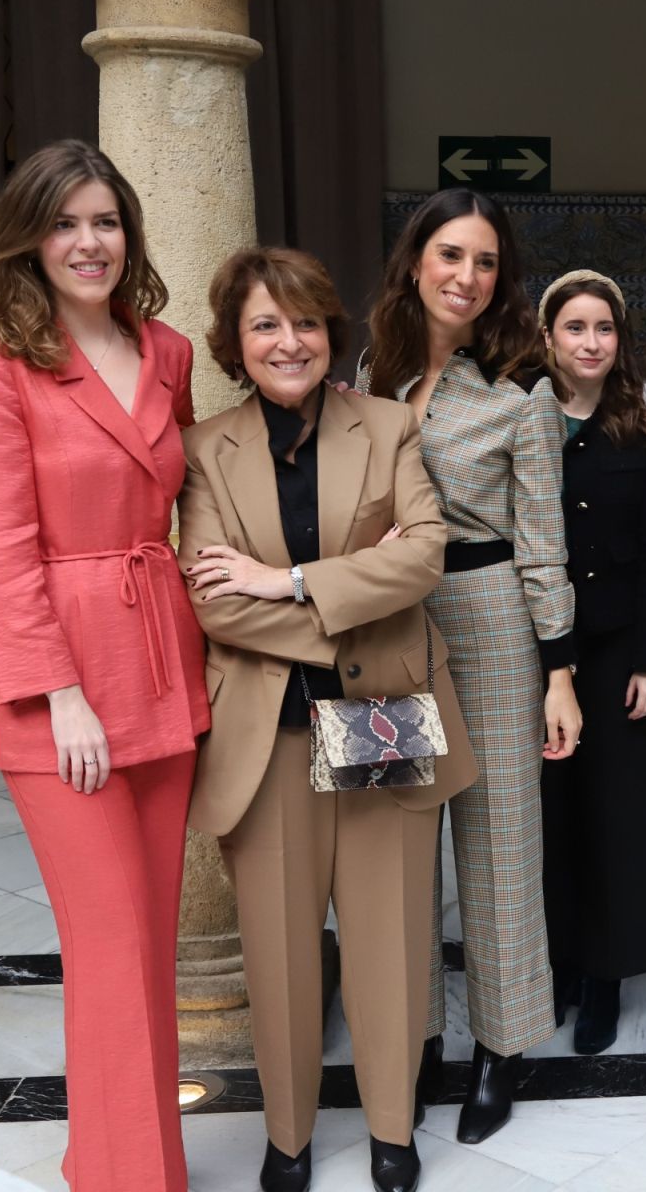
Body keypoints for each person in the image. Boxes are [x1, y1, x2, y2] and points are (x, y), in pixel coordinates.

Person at [179, 247, 478, 1192]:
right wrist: (356, 596)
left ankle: (393, 1132)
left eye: (305, 322)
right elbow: (211, 603)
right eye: (265, 324)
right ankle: (289, 1137)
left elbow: (426, 556)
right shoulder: (204, 451)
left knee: (391, 945)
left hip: (382, 719)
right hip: (269, 741)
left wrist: (290, 581)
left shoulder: (387, 427)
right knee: (279, 954)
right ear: (235, 341)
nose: (289, 341)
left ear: (329, 334)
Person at [0, 139, 204, 1192]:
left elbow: (198, 498)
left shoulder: (170, 349)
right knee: (105, 941)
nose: (89, 242)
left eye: (105, 221)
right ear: (28, 240)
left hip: (163, 664)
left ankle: (110, 1155)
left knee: (146, 944)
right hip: (64, 694)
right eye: (66, 223)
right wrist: (60, 695)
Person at [362, 188, 580, 1144]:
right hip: (384, 628)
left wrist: (559, 673)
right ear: (416, 262)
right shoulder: (373, 368)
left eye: (486, 262)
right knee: (394, 849)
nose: (467, 276)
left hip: (490, 623)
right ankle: (408, 1040)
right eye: (451, 255)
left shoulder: (523, 388)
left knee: (498, 845)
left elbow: (543, 545)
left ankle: (503, 1045)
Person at [537, 269, 646, 1054]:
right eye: (575, 328)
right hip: (537, 653)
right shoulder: (523, 420)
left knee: (616, 817)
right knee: (549, 816)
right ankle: (555, 964)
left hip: (619, 649)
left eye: (605, 329)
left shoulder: (642, 426)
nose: (591, 342)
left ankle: (604, 978)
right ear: (548, 335)